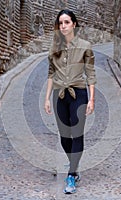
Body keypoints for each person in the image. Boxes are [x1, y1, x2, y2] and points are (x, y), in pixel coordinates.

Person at [44, 9, 96, 194]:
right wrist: (47, 98)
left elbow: (90, 74)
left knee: (78, 134)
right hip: (59, 95)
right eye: (61, 23)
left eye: (67, 22)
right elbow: (51, 73)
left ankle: (71, 174)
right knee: (65, 137)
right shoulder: (54, 48)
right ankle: (74, 166)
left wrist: (91, 99)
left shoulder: (85, 46)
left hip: (79, 94)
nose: (63, 26)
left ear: (74, 24)